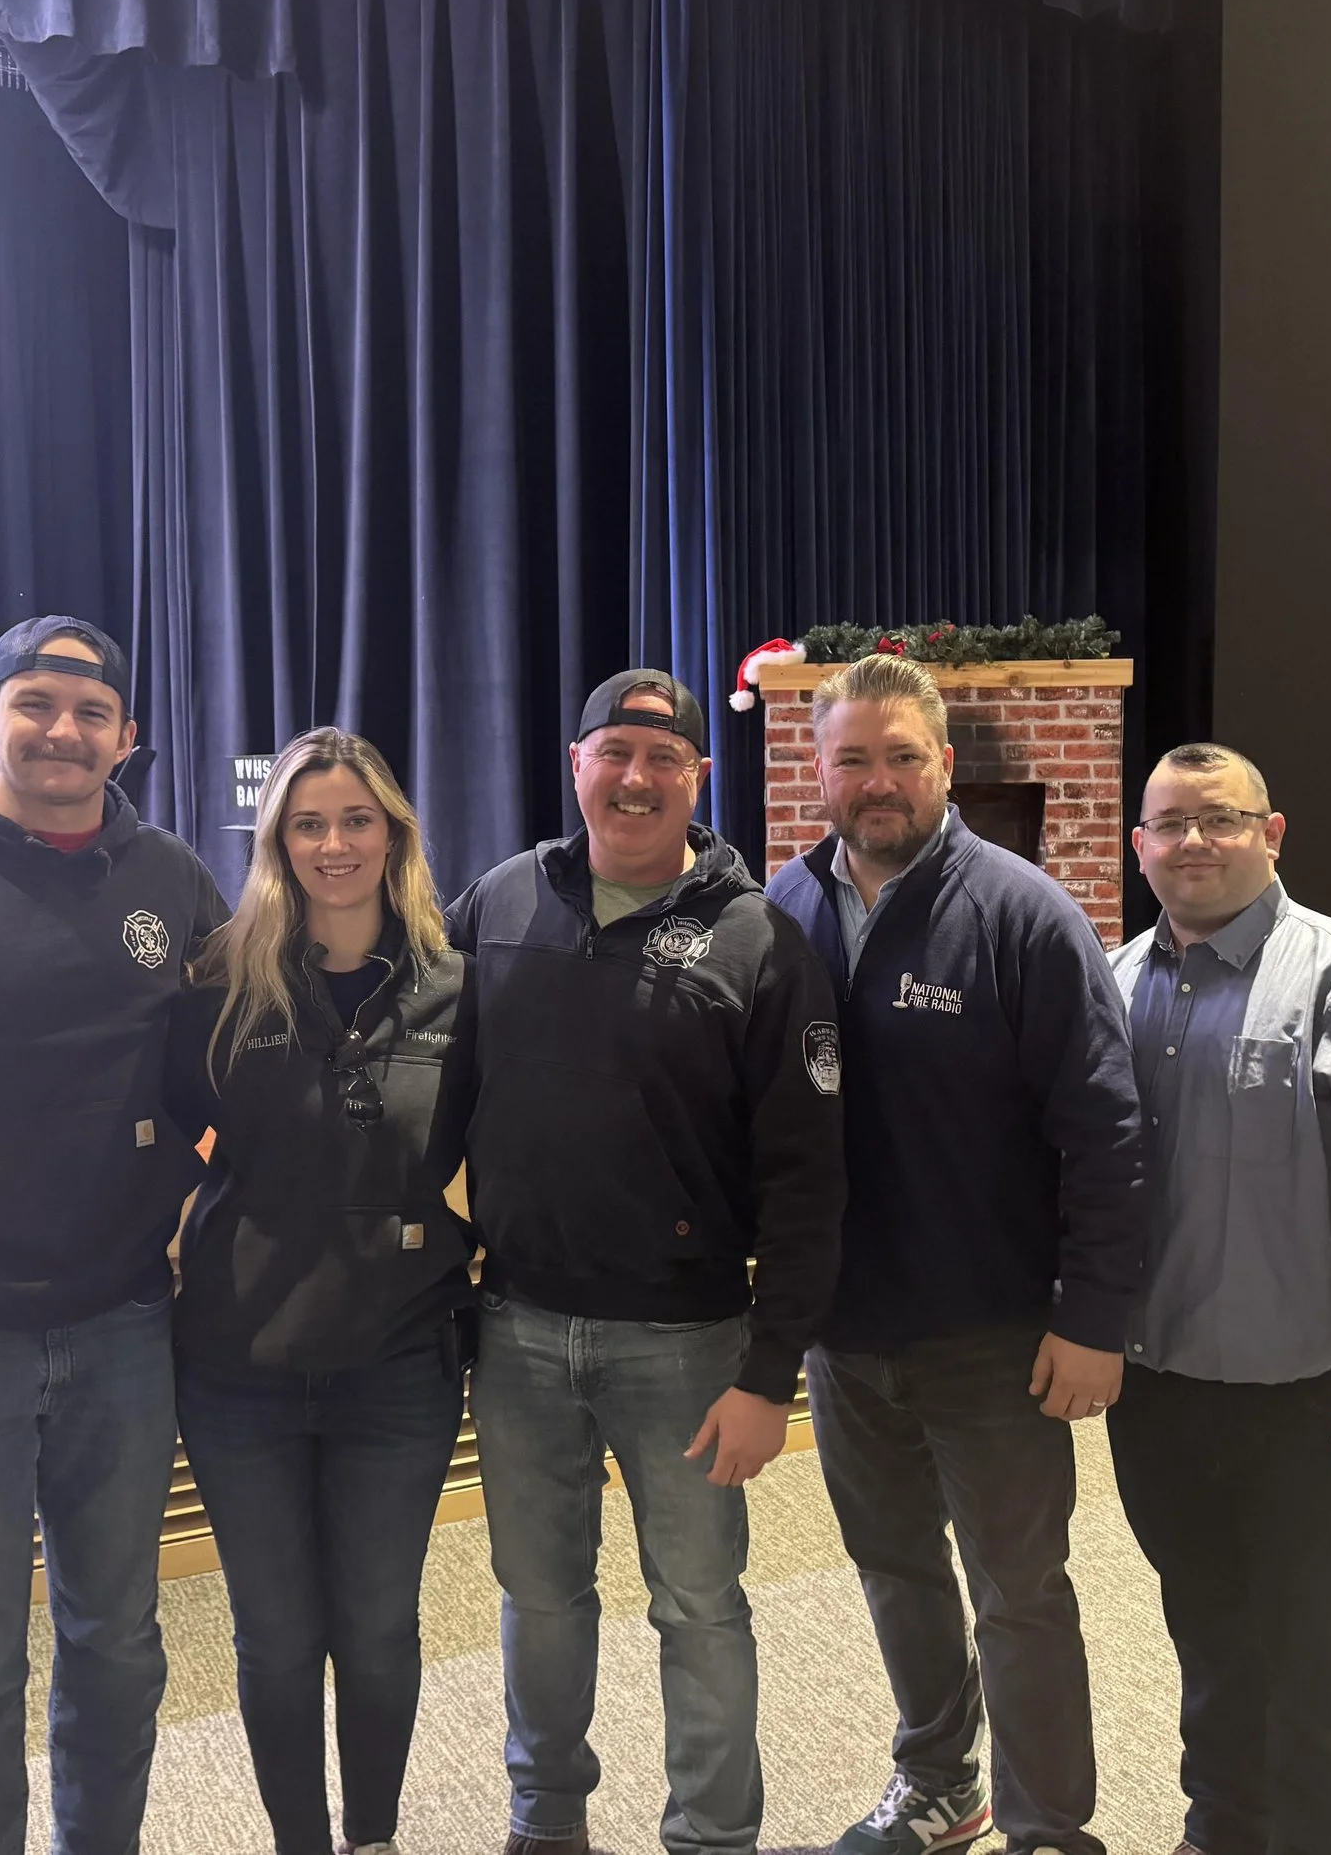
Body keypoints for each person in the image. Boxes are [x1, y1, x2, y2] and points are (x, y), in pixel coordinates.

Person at [447, 668, 847, 1855]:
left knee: (700, 1607)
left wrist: (770, 1373)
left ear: (697, 779)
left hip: (687, 1346)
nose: (634, 777)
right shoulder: (499, 902)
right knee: (539, 1599)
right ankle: (546, 1819)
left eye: (661, 759)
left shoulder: (759, 939)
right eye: (612, 752)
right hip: (516, 1331)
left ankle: (713, 1836)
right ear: (575, 766)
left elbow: (810, 1179)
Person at [763, 653, 1143, 1855]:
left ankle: (1049, 1831)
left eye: (902, 758)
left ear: (943, 766)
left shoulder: (1023, 913)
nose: (877, 783)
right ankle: (940, 1786)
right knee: (893, 1570)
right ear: (816, 770)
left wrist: (1093, 1316)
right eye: (852, 759)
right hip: (845, 1329)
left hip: (995, 1338)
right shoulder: (786, 908)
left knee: (1019, 1594)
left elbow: (1107, 1129)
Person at [1106, 743, 1331, 1855]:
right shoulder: (1113, 985)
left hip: (1318, 1406)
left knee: (1320, 1661)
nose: (1192, 844)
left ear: (1271, 835)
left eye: (1219, 821)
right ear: (1139, 846)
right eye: (1168, 824)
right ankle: (1220, 1832)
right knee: (1210, 1638)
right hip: (1159, 1396)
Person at [0, 616, 229, 1854]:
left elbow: (227, 1063)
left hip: (121, 1323)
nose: (62, 730)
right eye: (34, 703)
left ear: (127, 739)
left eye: (92, 713)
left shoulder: (169, 876)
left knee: (117, 1640)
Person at [164, 727, 475, 1855]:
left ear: (392, 832)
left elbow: (502, 1144)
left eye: (355, 820)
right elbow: (150, 1134)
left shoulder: (455, 984)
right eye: (308, 823)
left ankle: (374, 1839)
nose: (333, 844)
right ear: (277, 840)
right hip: (236, 1367)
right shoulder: (217, 979)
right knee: (276, 1639)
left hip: (397, 1363)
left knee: (381, 1631)